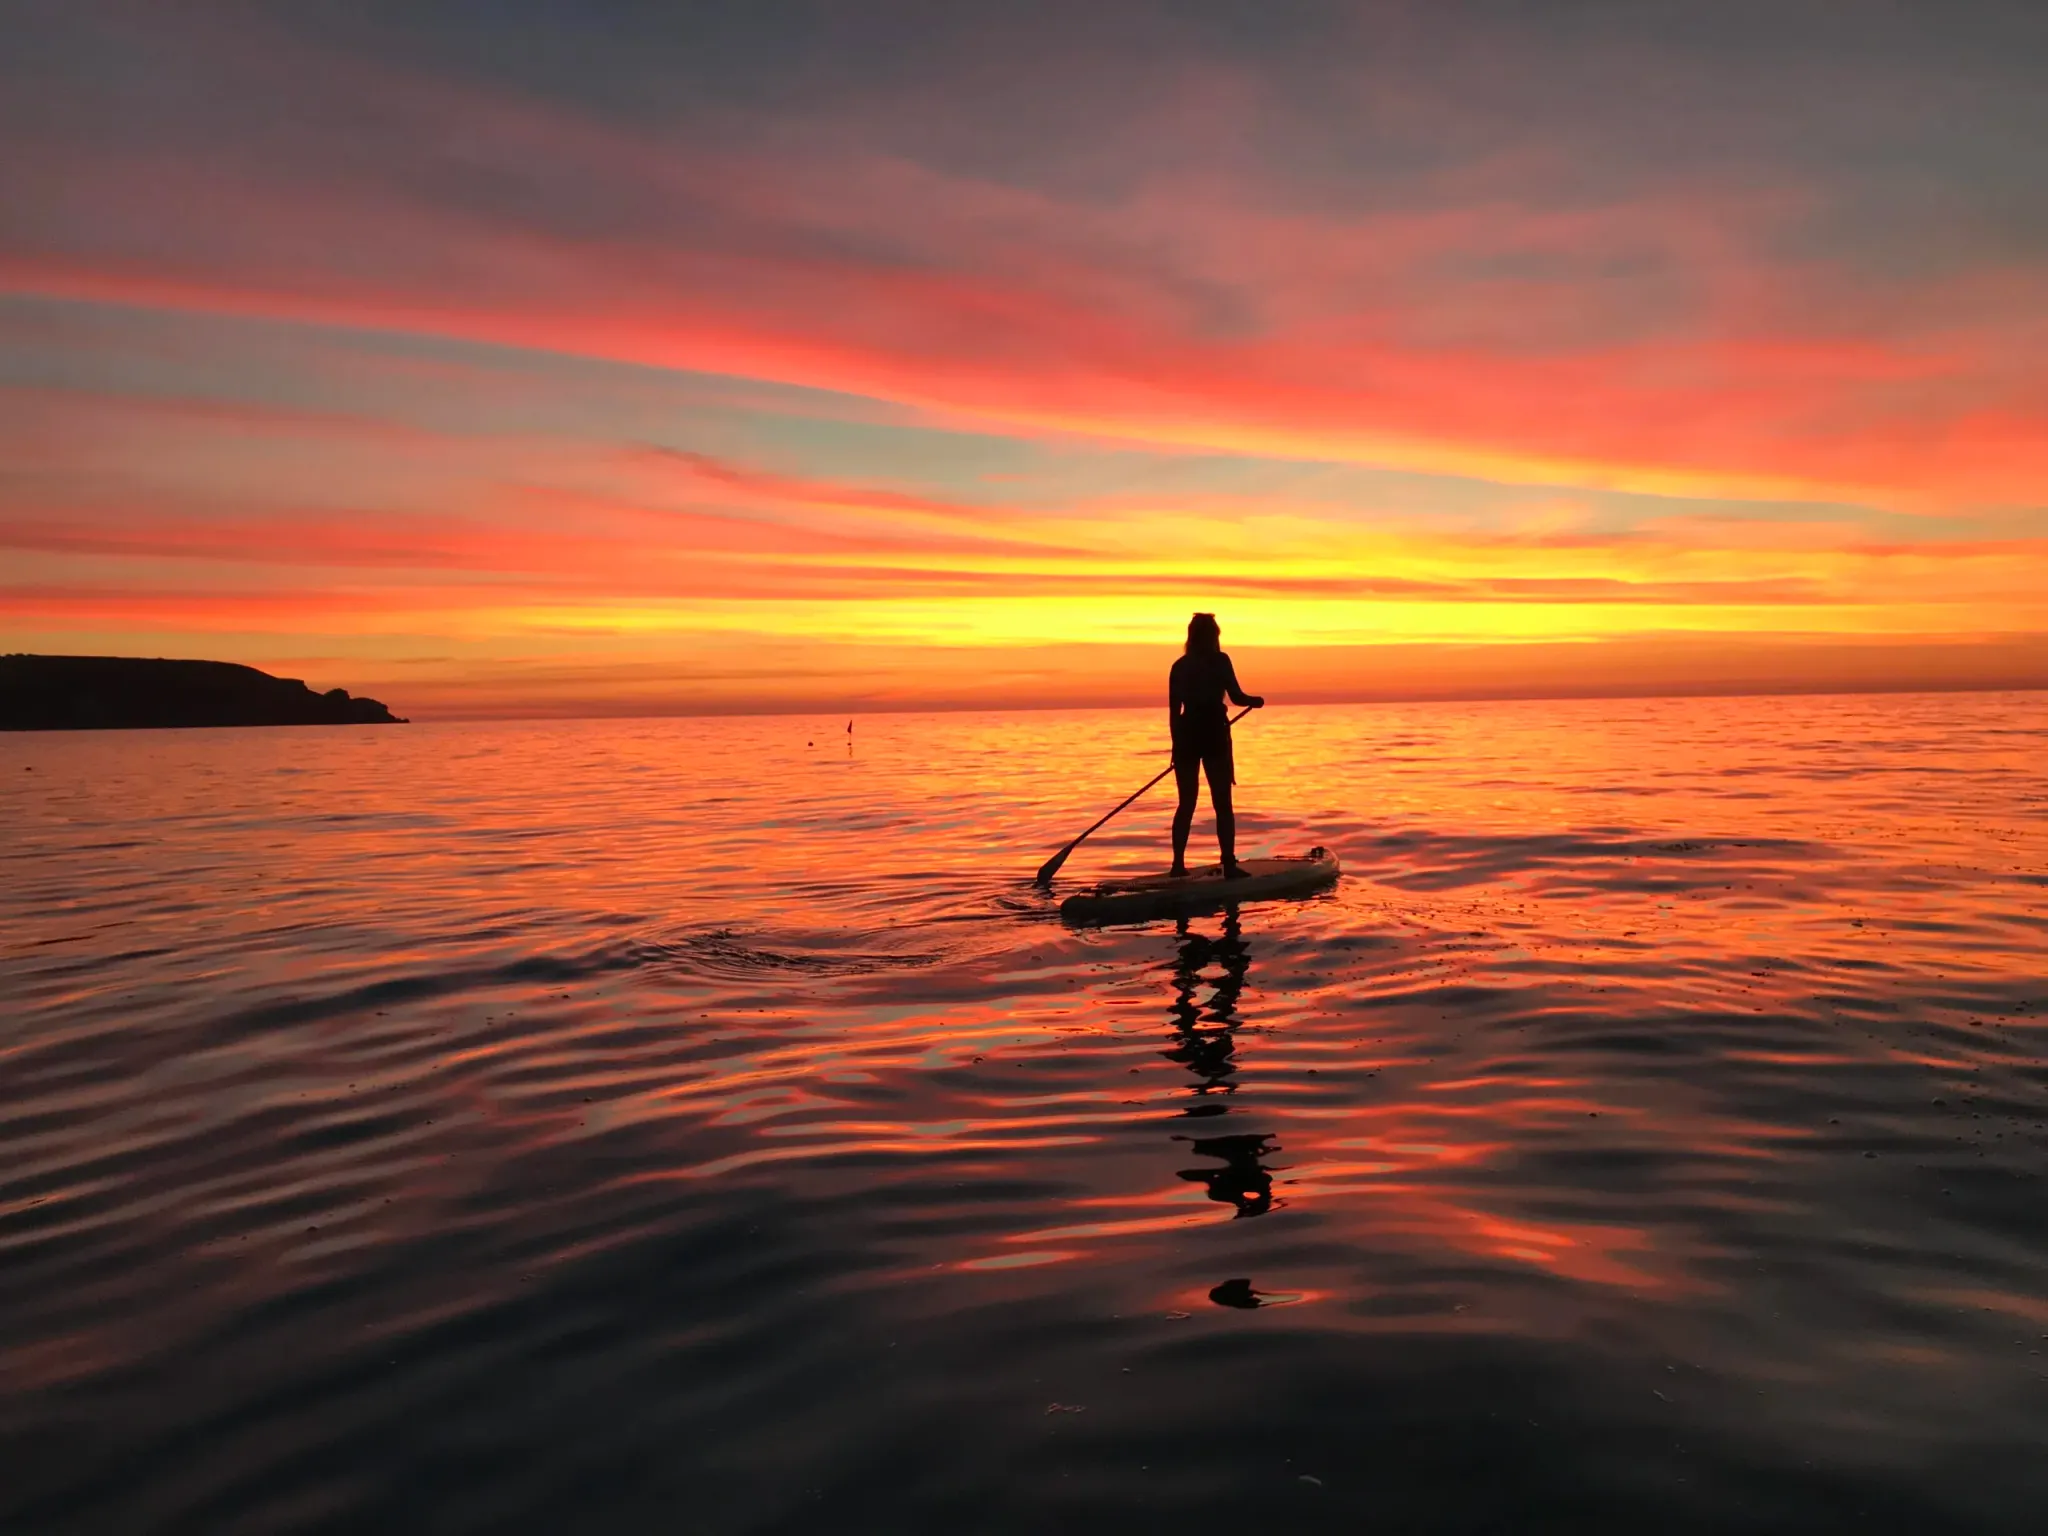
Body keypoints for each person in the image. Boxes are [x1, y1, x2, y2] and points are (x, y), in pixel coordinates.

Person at [1168, 612, 1263, 877]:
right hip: (1213, 733)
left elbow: (1174, 712)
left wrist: (1176, 745)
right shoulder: (1220, 661)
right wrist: (1255, 701)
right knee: (1222, 803)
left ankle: (1177, 865)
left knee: (1186, 803)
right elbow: (1236, 696)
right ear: (1213, 636)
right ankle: (1229, 865)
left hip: (1186, 736)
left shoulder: (1179, 666)